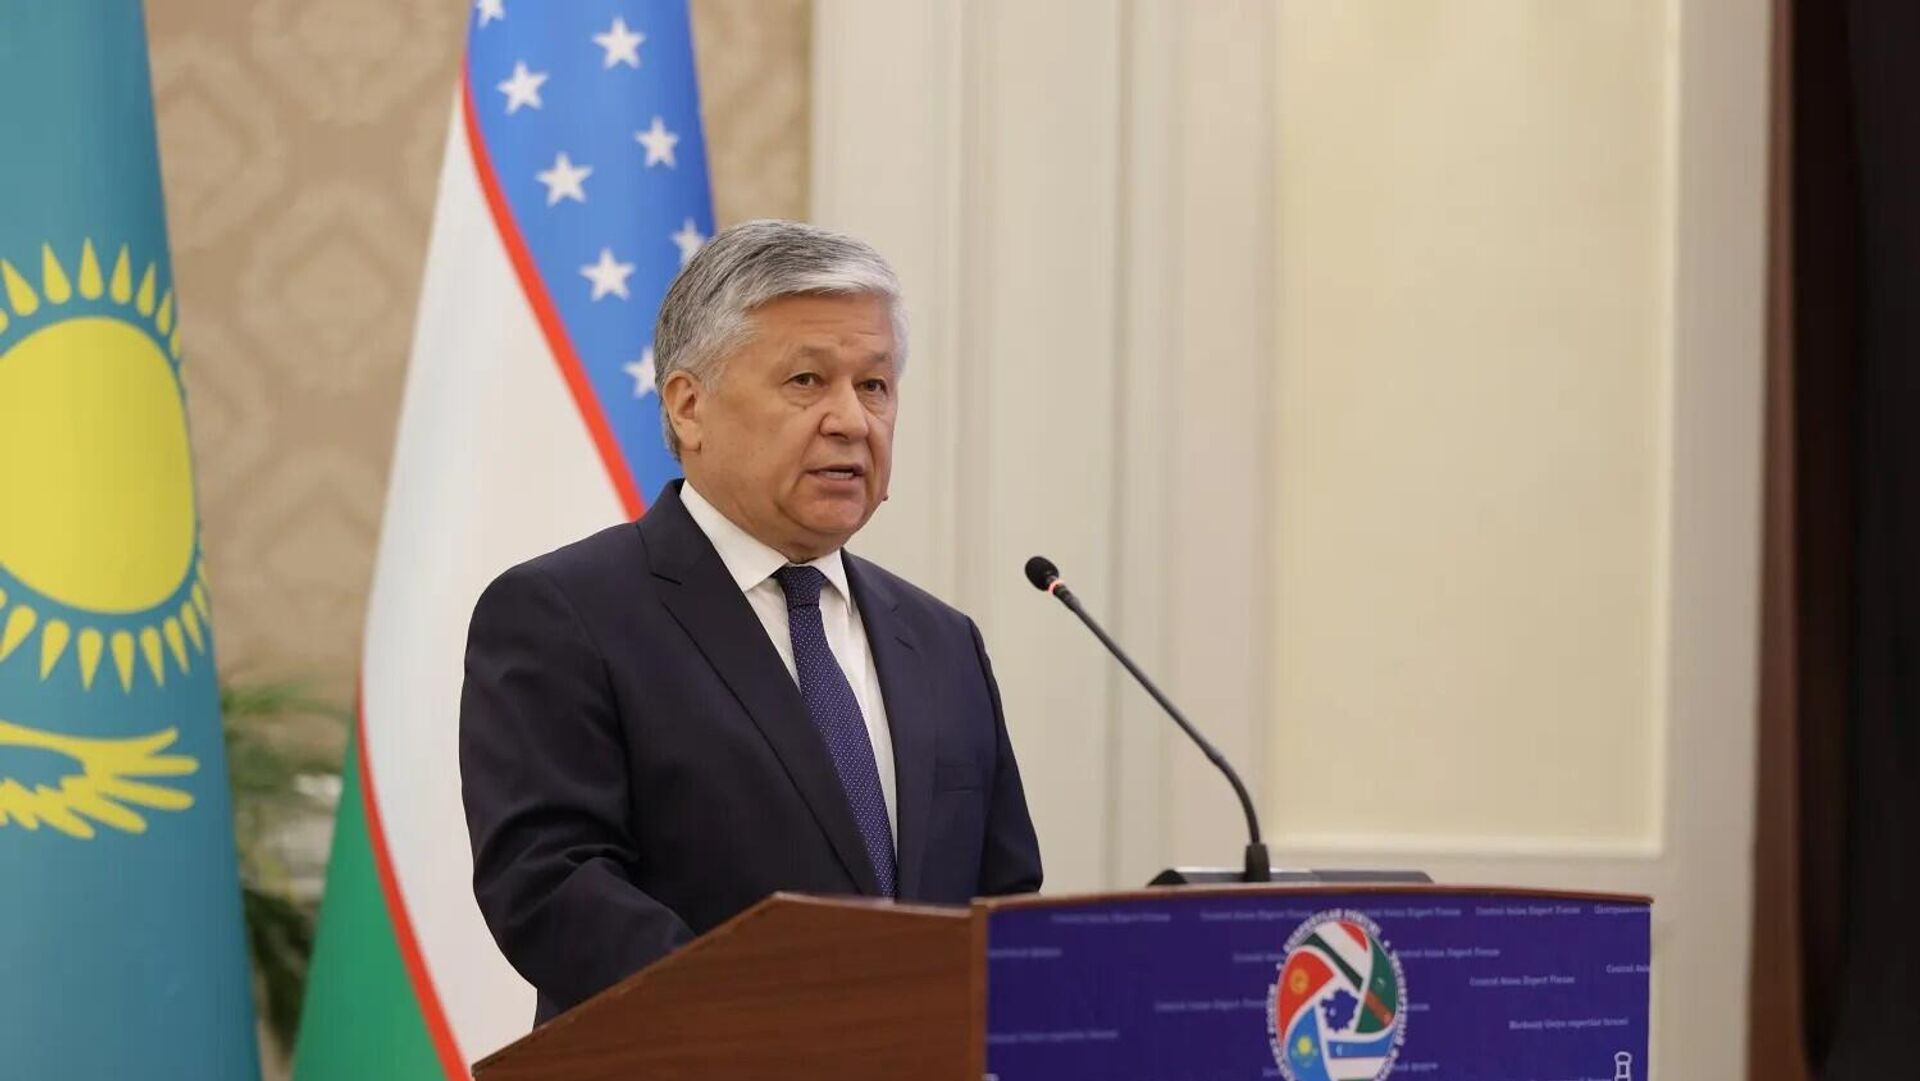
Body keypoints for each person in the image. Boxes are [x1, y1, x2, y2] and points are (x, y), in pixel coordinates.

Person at [459, 219, 1044, 1024]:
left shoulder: (943, 640)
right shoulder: (564, 613)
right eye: (807, 380)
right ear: (688, 407)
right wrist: (782, 1026)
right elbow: (551, 885)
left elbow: (1003, 900)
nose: (852, 420)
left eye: (875, 386)